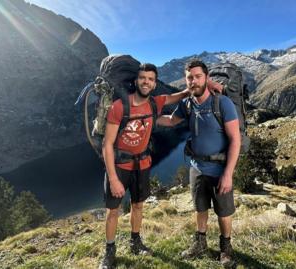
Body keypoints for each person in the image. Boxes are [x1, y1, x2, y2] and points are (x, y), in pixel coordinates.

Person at [99, 63, 190, 269]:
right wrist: (113, 178)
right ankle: (109, 252)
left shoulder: (155, 104)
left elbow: (177, 97)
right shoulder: (119, 107)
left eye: (150, 79)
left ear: (155, 83)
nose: (146, 82)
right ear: (136, 80)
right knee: (112, 211)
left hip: (143, 164)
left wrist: (193, 90)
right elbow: (107, 144)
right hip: (120, 166)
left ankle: (135, 242)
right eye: (142, 78)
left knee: (138, 205)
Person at [157, 59, 241, 267]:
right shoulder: (187, 104)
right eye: (189, 78)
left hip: (220, 168)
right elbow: (170, 120)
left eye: (197, 76)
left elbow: (235, 139)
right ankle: (201, 243)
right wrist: (144, 117)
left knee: (224, 212)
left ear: (206, 78)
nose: (193, 81)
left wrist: (228, 174)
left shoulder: (222, 103)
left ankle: (226, 249)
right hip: (197, 167)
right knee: (200, 208)